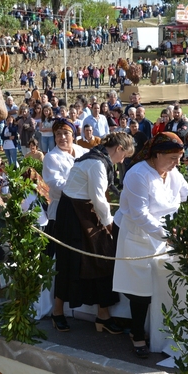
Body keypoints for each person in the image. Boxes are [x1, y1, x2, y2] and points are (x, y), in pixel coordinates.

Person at [113, 132, 188, 358]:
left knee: (160, 285)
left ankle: (158, 331)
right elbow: (139, 214)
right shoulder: (138, 175)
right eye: (173, 158)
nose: (177, 163)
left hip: (165, 236)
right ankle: (137, 334)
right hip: (138, 236)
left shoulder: (172, 172)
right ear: (157, 154)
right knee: (140, 291)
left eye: (179, 158)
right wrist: (168, 235)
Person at [52, 132, 134, 333]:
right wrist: (110, 226)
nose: (122, 161)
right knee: (70, 260)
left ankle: (103, 315)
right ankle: (57, 312)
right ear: (119, 149)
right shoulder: (96, 163)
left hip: (84, 210)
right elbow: (99, 199)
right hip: (73, 214)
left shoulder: (96, 157)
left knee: (101, 258)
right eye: (123, 156)